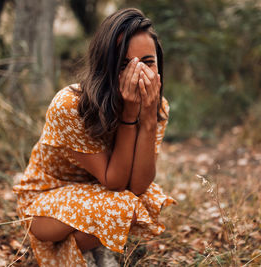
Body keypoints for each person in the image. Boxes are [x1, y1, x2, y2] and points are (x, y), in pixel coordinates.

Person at [13, 7, 175, 266]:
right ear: (106, 65)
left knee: (141, 200)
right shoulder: (70, 105)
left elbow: (138, 185)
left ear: (159, 64)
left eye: (147, 62)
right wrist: (129, 114)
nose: (138, 73)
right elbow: (114, 182)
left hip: (100, 197)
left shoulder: (158, 106)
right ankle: (51, 253)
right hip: (45, 204)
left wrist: (147, 121)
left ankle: (82, 251)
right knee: (123, 204)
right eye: (124, 65)